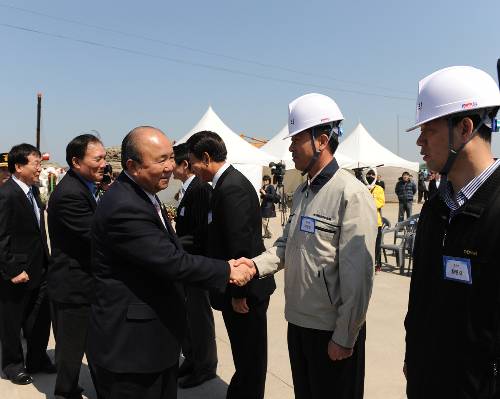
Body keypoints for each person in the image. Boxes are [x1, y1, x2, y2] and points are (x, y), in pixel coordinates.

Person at [87, 126, 255, 399]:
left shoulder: (144, 193)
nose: (170, 167)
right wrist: (227, 270)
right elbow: (170, 260)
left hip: (153, 343)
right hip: (132, 351)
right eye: (161, 160)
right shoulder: (124, 205)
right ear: (132, 165)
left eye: (170, 158)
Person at [235, 93, 377, 399]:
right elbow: (286, 246)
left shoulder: (350, 194)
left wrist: (345, 335)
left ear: (322, 140)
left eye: (296, 139)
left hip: (331, 332)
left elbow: (359, 277)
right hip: (298, 323)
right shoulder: (302, 192)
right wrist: (254, 265)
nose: (289, 148)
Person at [404, 65, 500, 398]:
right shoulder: (435, 208)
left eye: (427, 130)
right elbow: (420, 300)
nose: (419, 142)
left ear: (464, 128)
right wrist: (412, 358)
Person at [187, 131, 276, 399]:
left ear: (206, 157)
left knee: (250, 358)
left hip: (245, 292)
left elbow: (240, 246)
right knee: (245, 355)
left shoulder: (231, 187)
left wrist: (239, 293)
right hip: (239, 288)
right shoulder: (224, 184)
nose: (192, 169)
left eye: (192, 163)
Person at [47, 134, 106, 399]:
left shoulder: (86, 187)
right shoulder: (70, 193)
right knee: (71, 350)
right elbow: (96, 236)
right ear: (76, 161)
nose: (104, 164)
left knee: (92, 344)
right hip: (73, 286)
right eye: (98, 159)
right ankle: (66, 392)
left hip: (86, 282)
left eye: (104, 157)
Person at [0, 143, 54, 386]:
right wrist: (12, 270)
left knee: (39, 318)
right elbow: (1, 237)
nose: (39, 169)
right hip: (17, 272)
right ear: (19, 166)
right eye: (35, 164)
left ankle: (37, 359)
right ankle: (12, 365)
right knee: (12, 321)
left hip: (39, 267)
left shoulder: (33, 192)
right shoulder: (7, 194)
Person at [172, 143, 218, 389]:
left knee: (199, 319)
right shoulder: (187, 190)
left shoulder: (200, 190)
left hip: (196, 264)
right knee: (188, 318)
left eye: (173, 163)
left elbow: (201, 232)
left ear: (185, 165)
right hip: (185, 263)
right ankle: (191, 358)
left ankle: (205, 366)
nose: (169, 168)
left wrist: (174, 245)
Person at [365, 167, 385, 273]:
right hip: (364, 222)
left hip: (376, 222)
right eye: (368, 174)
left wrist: (368, 202)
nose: (370, 176)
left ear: (376, 176)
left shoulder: (379, 188)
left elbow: (381, 202)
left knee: (377, 245)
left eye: (373, 174)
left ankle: (377, 264)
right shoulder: (362, 187)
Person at [260, 175, 276, 239]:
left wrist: (265, 193)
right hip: (263, 205)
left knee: (264, 221)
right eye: (264, 180)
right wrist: (262, 193)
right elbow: (262, 197)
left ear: (269, 180)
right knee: (263, 220)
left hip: (268, 206)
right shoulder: (264, 187)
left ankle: (270, 233)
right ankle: (267, 233)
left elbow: (272, 196)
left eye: (266, 180)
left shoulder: (271, 187)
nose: (264, 181)